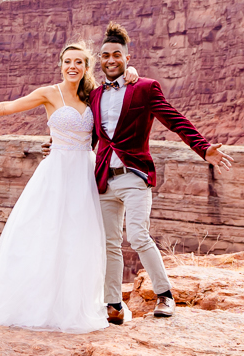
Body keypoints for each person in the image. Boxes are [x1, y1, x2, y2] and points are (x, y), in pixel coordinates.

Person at [0, 42, 108, 333]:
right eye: (67, 61)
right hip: (56, 172)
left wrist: (130, 72)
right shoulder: (49, 93)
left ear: (86, 67)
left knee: (78, 238)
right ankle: (35, 302)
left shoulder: (93, 95)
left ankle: (70, 305)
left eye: (78, 62)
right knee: (44, 232)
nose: (72, 67)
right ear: (60, 64)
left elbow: (117, 109)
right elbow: (10, 107)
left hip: (84, 173)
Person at [90, 23, 231, 323]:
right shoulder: (94, 95)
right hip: (104, 179)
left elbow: (174, 120)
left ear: (128, 58)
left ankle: (165, 295)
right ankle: (113, 304)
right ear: (99, 59)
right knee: (109, 243)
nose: (111, 60)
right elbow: (91, 136)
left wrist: (204, 149)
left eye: (117, 54)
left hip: (134, 175)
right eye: (105, 55)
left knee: (139, 235)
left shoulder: (144, 88)